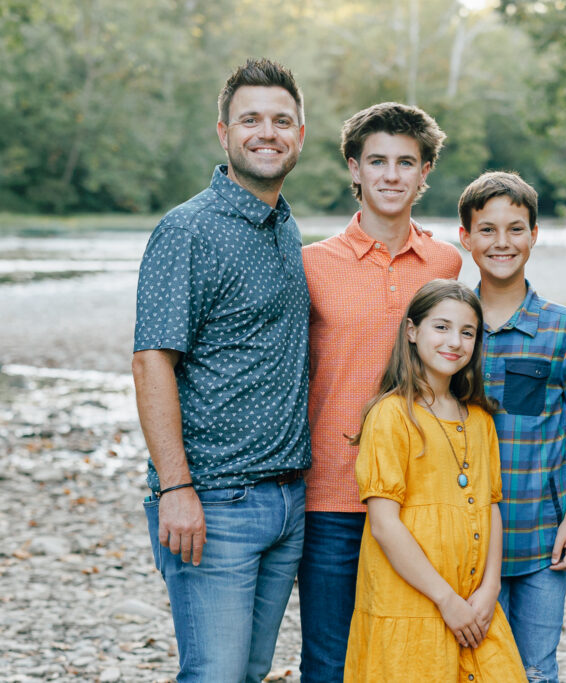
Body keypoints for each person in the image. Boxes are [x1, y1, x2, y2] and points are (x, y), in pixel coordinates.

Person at [132, 58, 310, 681]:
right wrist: (177, 489)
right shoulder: (187, 230)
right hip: (215, 501)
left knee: (249, 670)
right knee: (214, 674)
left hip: (290, 500)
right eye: (251, 120)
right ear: (223, 133)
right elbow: (152, 361)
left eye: (282, 120)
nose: (268, 132)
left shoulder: (284, 229)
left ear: (301, 135)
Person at [299, 102, 462, 680]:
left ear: (424, 174)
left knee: (411, 657)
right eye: (377, 161)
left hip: (418, 495)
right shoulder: (311, 264)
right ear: (354, 169)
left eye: (406, 162)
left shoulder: (446, 262)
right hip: (333, 495)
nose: (391, 175)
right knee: (328, 656)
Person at [457, 171, 566, 681]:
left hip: (540, 536)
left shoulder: (563, 330)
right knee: (468, 665)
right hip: (462, 540)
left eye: (516, 229)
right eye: (488, 230)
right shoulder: (452, 328)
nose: (502, 243)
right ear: (466, 238)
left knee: (535, 668)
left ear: (534, 234)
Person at [344, 279, 526, 681]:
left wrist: (490, 587)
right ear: (412, 331)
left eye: (467, 332)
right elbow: (385, 524)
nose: (455, 342)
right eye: (441, 327)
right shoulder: (392, 415)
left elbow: (490, 505)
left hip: (473, 598)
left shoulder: (479, 419)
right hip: (412, 602)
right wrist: (446, 599)